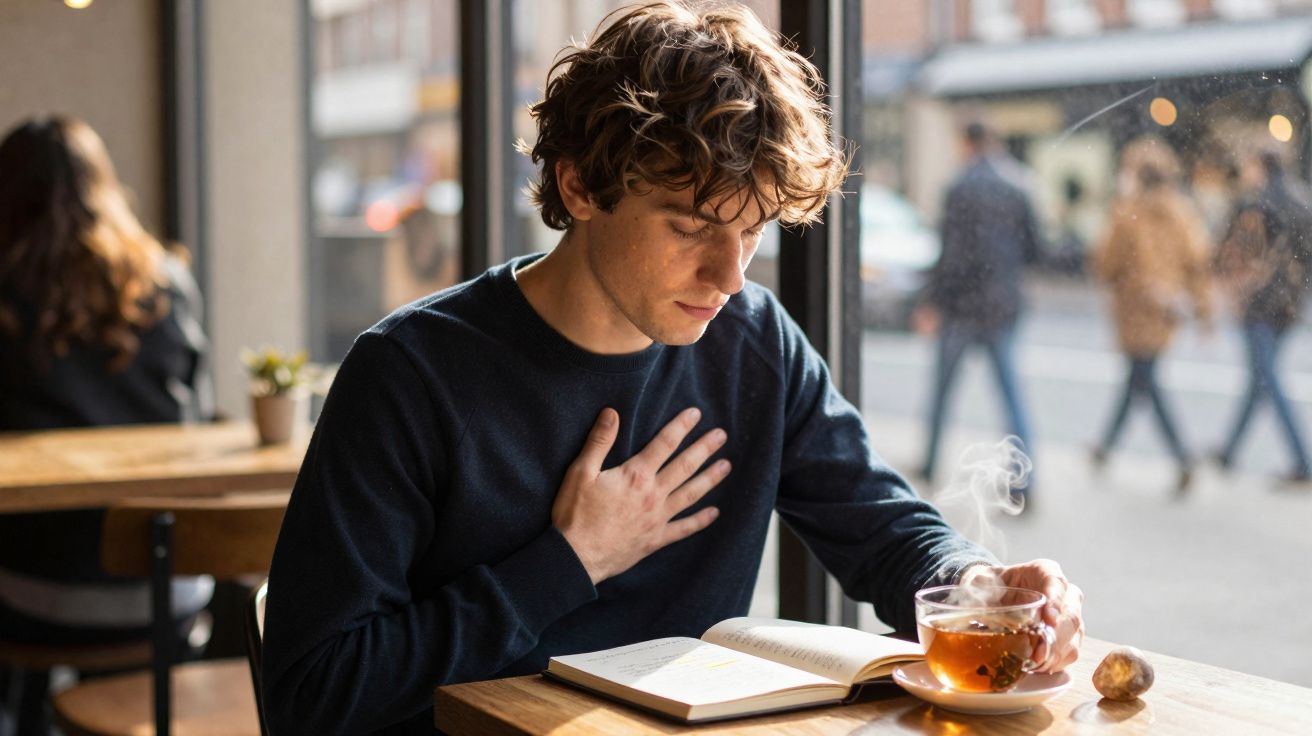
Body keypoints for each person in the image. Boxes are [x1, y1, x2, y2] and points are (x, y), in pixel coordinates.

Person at [261, 4, 1084, 733]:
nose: (730, 278)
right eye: (690, 226)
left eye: (753, 230)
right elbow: (314, 695)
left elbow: (882, 528)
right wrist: (568, 562)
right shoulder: (408, 375)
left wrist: (980, 584)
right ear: (579, 186)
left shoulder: (754, 341)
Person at [0, 116, 214, 729]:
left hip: (39, 590)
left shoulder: (8, 291)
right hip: (169, 585)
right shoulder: (166, 282)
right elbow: (196, 418)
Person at [913, 122, 1041, 497]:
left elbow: (949, 254)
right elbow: (1035, 249)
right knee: (1010, 395)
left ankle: (930, 463)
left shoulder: (960, 187)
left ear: (967, 143)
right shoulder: (1019, 185)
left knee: (942, 391)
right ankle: (1025, 482)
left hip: (962, 306)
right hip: (1002, 306)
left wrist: (932, 301)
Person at [1089, 138, 1213, 492]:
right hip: (1166, 314)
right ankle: (1104, 448)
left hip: (1134, 313)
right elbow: (1197, 264)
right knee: (1138, 379)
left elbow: (1105, 265)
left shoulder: (1128, 213)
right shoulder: (1183, 212)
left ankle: (1182, 456)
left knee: (1146, 382)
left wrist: (1119, 204)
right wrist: (1203, 311)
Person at [1213, 147, 1312, 483]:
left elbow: (1235, 253)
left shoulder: (1255, 204)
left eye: (1248, 165)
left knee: (1267, 379)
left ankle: (1303, 462)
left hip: (1259, 304)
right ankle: (1228, 451)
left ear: (1259, 167)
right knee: (1260, 377)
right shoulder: (1302, 199)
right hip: (1288, 306)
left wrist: (1240, 291)